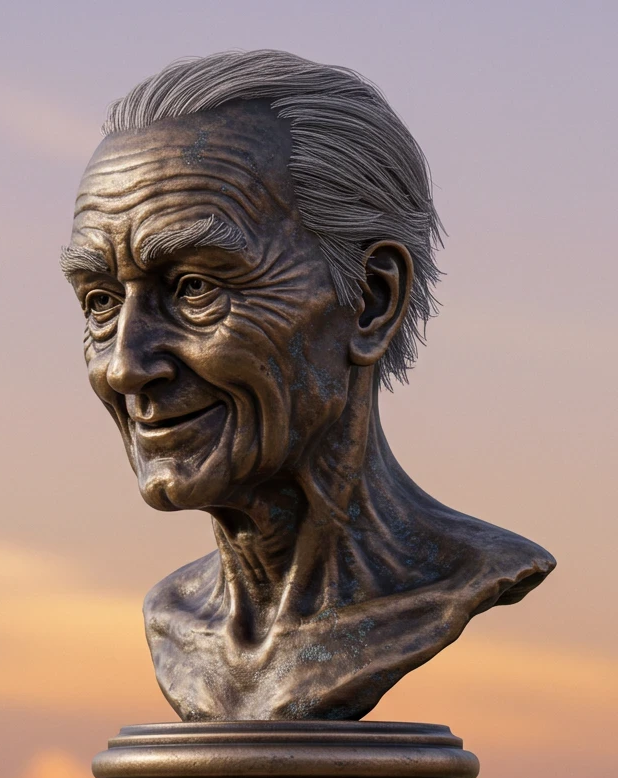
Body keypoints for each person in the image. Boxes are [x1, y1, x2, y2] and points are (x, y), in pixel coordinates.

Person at [61, 51, 554, 720]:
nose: (124, 366)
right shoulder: (174, 619)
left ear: (371, 300)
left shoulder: (457, 579)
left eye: (195, 288)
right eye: (100, 302)